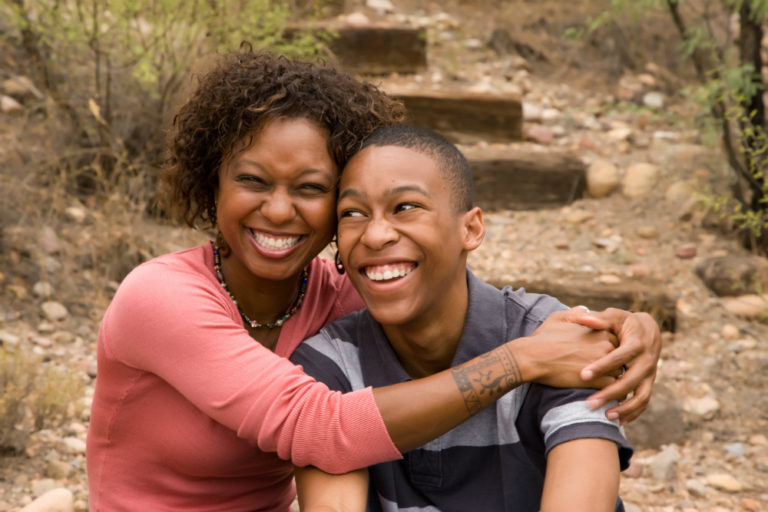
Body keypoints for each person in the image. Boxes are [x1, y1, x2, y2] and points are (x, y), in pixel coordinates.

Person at [85, 50, 660, 511]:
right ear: (213, 185)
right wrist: (523, 360)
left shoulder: (343, 294)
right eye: (253, 181)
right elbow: (322, 427)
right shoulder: (160, 297)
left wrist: (632, 328)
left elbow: (446, 289)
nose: (279, 211)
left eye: (311, 189)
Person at [291, 125, 636, 512]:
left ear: (470, 229)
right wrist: (516, 363)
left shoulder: (559, 339)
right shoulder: (331, 365)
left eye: (405, 207)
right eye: (352, 213)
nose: (375, 235)